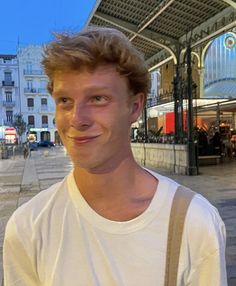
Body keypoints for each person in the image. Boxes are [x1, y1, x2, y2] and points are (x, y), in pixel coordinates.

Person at [3, 27, 227, 286]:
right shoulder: (29, 227)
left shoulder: (193, 223)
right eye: (65, 100)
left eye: (98, 98)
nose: (77, 119)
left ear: (135, 107)